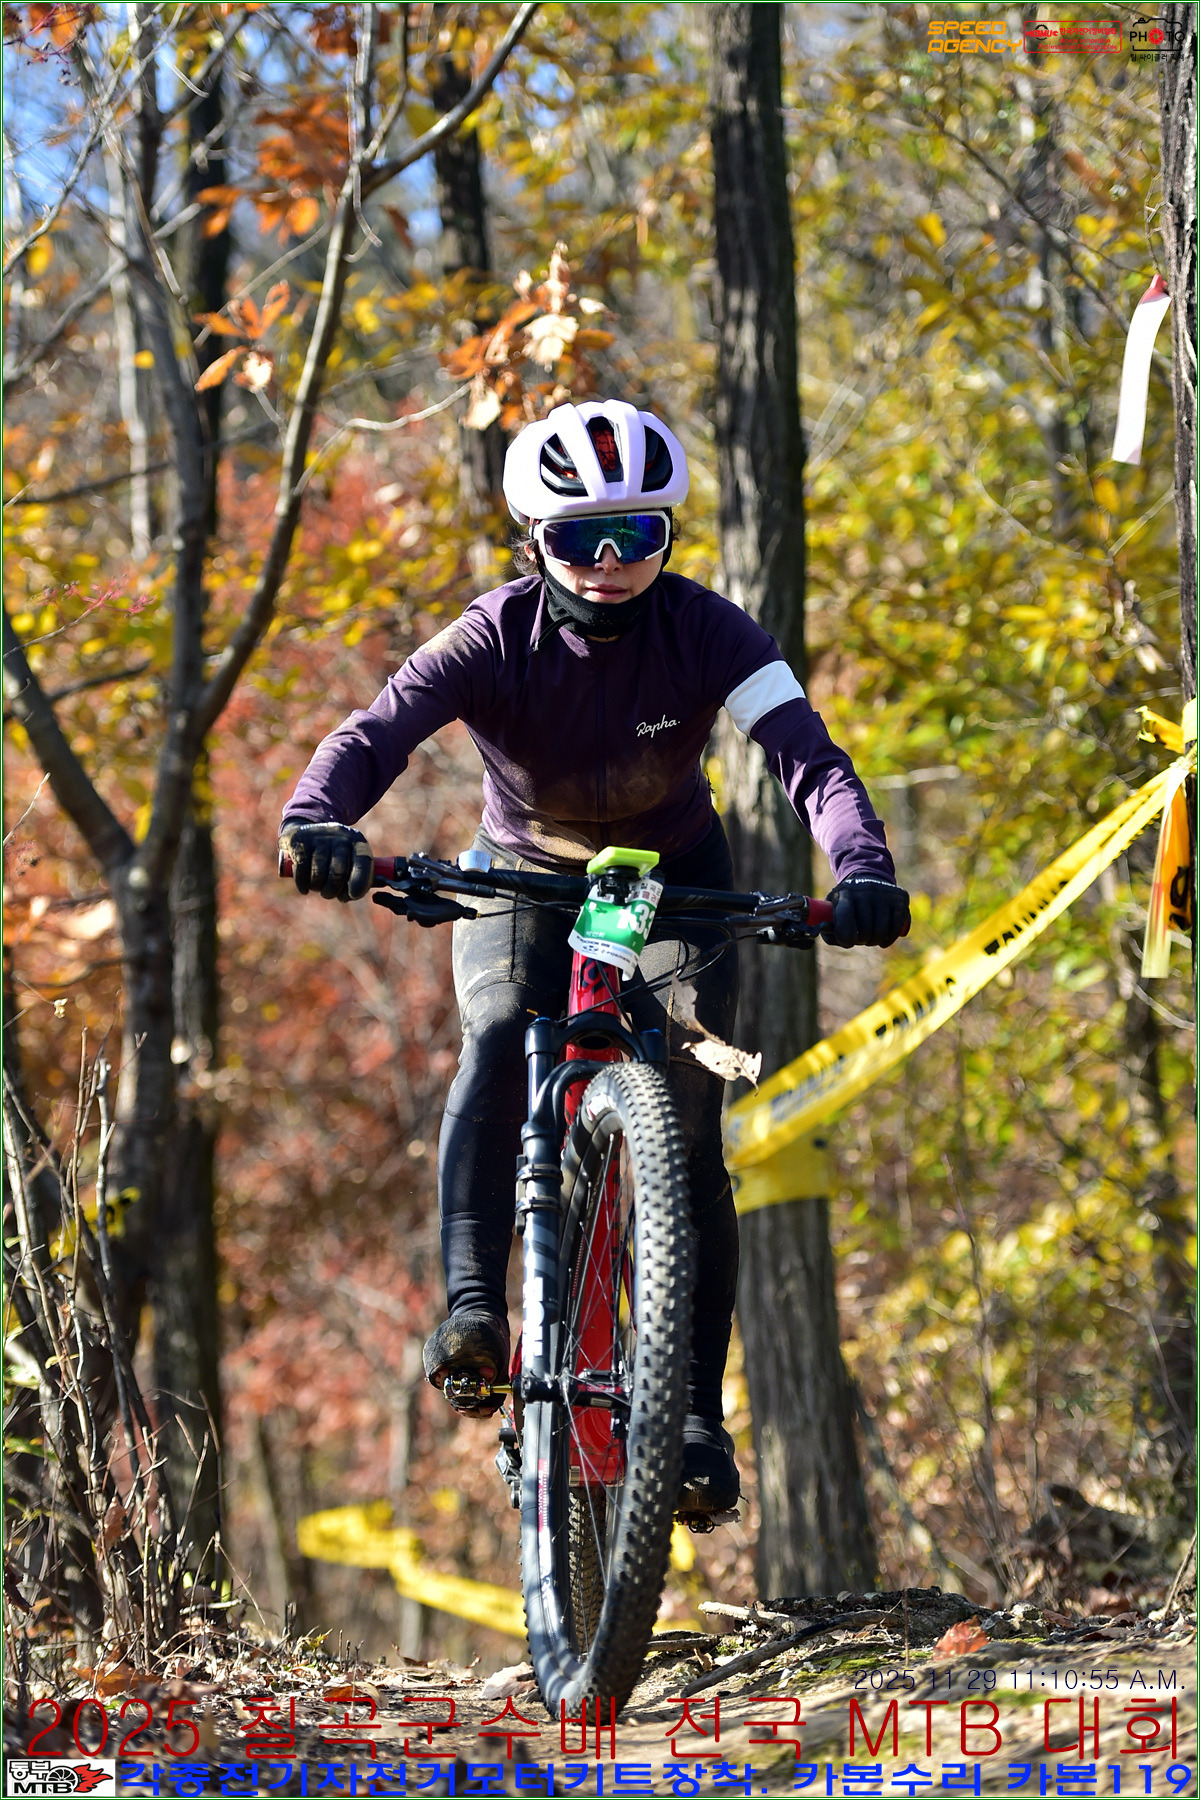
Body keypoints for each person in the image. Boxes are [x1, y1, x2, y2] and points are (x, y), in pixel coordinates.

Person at [279, 399, 909, 1515]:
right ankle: (475, 1310)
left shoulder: (713, 633)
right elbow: (378, 730)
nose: (609, 563)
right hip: (522, 872)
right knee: (495, 1041)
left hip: (674, 881)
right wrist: (315, 817)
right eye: (579, 538)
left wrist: (862, 867)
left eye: (637, 536)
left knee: (690, 1133)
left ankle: (696, 1420)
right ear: (534, 537)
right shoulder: (493, 635)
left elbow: (809, 760)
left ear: (670, 537)